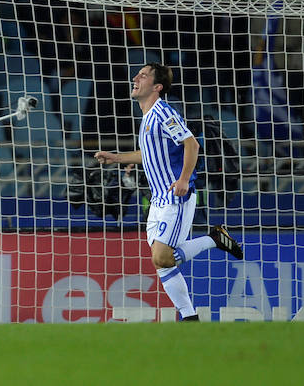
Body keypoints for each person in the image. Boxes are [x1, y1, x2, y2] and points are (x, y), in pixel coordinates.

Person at [94, 63, 243, 322]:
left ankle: (213, 239)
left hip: (175, 196)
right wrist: (116, 157)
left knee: (162, 258)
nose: (135, 78)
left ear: (157, 86)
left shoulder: (163, 113)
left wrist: (184, 179)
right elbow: (149, 154)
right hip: (158, 200)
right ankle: (189, 317)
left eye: (143, 75)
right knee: (162, 264)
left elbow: (191, 144)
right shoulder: (148, 116)